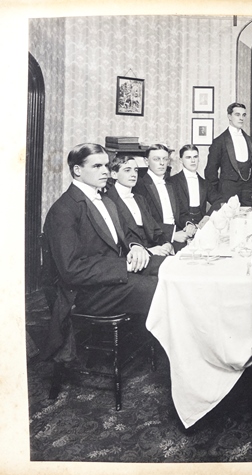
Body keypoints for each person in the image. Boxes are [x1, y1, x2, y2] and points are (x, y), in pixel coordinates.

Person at [42, 143, 164, 360]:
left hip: (109, 277)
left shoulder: (106, 201)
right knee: (160, 288)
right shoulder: (64, 210)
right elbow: (71, 270)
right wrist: (124, 265)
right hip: (86, 293)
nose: (106, 171)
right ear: (78, 170)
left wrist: (135, 246)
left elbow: (128, 234)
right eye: (97, 166)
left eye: (106, 165)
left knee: (167, 267)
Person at [105, 155, 174, 256]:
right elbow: (118, 242)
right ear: (114, 174)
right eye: (127, 170)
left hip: (152, 249)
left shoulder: (140, 199)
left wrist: (166, 244)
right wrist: (149, 251)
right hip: (131, 256)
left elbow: (155, 229)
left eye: (136, 170)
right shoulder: (107, 200)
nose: (134, 174)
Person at [132, 143, 195, 246]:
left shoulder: (172, 184)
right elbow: (146, 221)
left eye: (165, 159)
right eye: (156, 159)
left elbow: (182, 213)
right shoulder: (139, 186)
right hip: (156, 240)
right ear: (146, 161)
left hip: (179, 235)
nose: (162, 163)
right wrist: (172, 235)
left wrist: (188, 224)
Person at [205, 102, 252, 206]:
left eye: (243, 115)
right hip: (227, 194)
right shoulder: (219, 141)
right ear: (229, 116)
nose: (241, 118)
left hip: (248, 193)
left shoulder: (249, 140)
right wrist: (217, 198)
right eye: (237, 114)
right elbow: (210, 173)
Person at [168, 144, 222, 228]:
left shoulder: (205, 183)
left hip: (201, 226)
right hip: (181, 227)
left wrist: (208, 216)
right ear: (181, 160)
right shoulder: (172, 181)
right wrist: (188, 224)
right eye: (188, 157)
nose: (193, 160)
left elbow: (219, 201)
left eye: (195, 157)